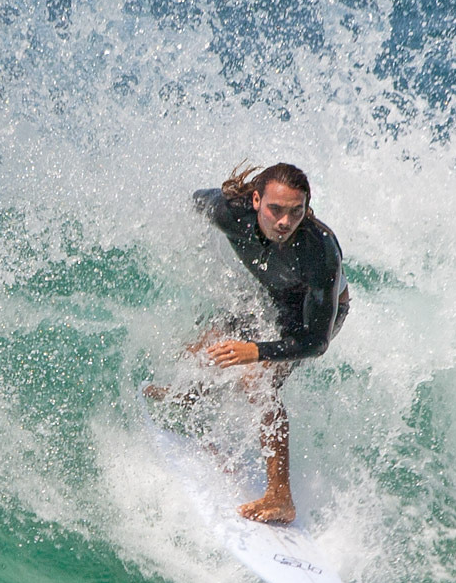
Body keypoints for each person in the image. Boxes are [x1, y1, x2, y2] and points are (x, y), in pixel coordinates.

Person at [150, 162, 350, 525]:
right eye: (275, 209)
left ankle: (280, 497)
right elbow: (194, 202)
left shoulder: (319, 251)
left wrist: (256, 352)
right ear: (256, 201)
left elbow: (316, 342)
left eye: (296, 211)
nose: (285, 221)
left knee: (257, 381)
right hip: (271, 292)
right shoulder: (229, 213)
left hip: (310, 316)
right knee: (205, 347)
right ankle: (189, 394)